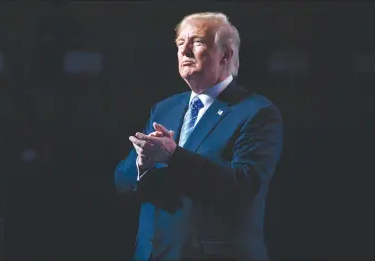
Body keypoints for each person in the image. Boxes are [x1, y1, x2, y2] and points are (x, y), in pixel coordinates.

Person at [114, 12, 283, 260]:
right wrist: (142, 165)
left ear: (225, 55)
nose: (185, 51)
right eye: (180, 43)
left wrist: (173, 156)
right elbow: (122, 180)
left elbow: (244, 184)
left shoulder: (257, 112)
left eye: (198, 42)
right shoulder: (165, 108)